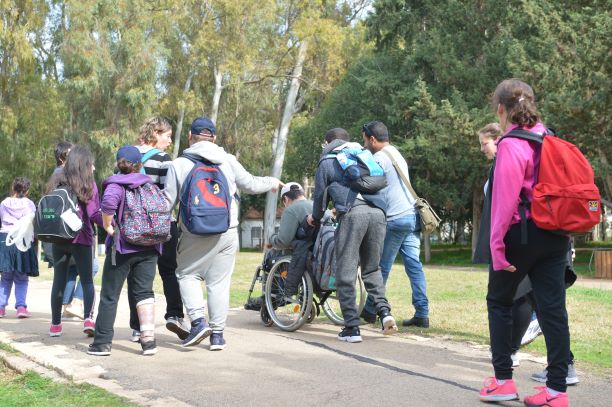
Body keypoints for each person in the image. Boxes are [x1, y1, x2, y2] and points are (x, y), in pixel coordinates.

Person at [474, 79, 571, 406]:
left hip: (522, 235)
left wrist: (497, 248)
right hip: (557, 235)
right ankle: (556, 390)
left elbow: (503, 204)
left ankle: (503, 382)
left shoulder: (511, 145)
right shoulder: (551, 138)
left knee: (499, 301)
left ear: (501, 109)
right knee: (552, 309)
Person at [163, 116, 281, 350]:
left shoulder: (178, 164)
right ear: (214, 137)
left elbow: (167, 203)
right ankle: (217, 335)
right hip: (227, 230)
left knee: (187, 275)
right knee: (219, 283)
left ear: (190, 136)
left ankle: (198, 322)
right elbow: (251, 184)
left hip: (193, 232)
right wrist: (273, 182)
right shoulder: (228, 161)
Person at [306, 127, 397, 343]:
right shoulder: (363, 155)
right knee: (372, 268)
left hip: (352, 215)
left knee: (345, 271)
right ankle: (385, 313)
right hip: (378, 214)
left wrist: (315, 218)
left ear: (327, 141)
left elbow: (319, 197)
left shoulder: (327, 161)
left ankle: (352, 328)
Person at [87, 146, 164, 356]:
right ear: (140, 164)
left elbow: (109, 204)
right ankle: (148, 342)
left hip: (123, 248)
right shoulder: (149, 184)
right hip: (149, 246)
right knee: (145, 294)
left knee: (110, 294)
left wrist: (107, 226)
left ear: (118, 162)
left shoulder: (116, 183)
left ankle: (102, 343)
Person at [360, 121, 430, 328]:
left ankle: (372, 310)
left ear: (372, 139)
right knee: (414, 266)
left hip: (396, 219)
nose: (364, 144)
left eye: (364, 139)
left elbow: (372, 187)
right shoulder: (395, 153)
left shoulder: (379, 158)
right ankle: (422, 313)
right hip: (411, 216)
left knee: (382, 266)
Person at [127, 116, 189, 343]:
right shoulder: (164, 160)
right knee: (169, 271)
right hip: (162, 224)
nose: (170, 141)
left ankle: (137, 326)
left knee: (136, 275)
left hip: (133, 224)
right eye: (167, 136)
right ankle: (174, 314)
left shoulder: (127, 155)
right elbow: (169, 195)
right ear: (155, 133)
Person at [47, 145, 103, 338]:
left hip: (59, 238)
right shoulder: (88, 183)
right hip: (82, 237)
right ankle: (88, 319)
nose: (93, 168)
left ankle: (55, 325)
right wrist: (109, 224)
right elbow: (93, 214)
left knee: (59, 281)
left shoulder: (57, 179)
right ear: (84, 164)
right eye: (92, 164)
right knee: (87, 281)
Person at [0, 177, 38, 318]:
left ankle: (1, 308)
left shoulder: (4, 203)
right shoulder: (29, 204)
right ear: (26, 190)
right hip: (22, 240)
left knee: (5, 277)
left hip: (6, 240)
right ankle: (21, 308)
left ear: (13, 188)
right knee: (21, 277)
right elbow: (31, 222)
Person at [267, 182, 314, 294]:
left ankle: (271, 296)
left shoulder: (291, 210)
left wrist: (272, 238)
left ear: (286, 199)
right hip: (318, 255)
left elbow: (283, 241)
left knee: (269, 256)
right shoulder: (318, 206)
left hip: (302, 257)